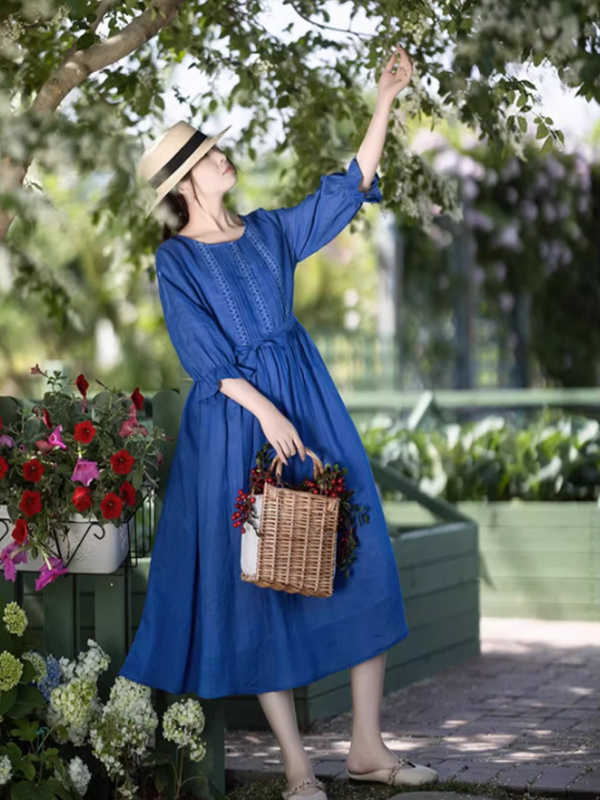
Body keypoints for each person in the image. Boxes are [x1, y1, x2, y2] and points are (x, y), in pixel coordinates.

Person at [118, 44, 439, 799]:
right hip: (238, 427)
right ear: (185, 180)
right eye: (207, 151)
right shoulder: (177, 262)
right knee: (261, 584)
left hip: (310, 409)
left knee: (358, 551)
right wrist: (265, 411)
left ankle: (366, 746)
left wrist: (385, 97)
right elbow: (204, 357)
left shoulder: (267, 232)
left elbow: (346, 189)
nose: (222, 154)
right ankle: (298, 770)